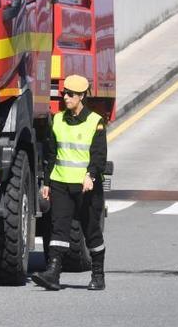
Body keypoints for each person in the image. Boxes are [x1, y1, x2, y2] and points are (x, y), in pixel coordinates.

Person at [31, 74, 108, 291]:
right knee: (59, 228)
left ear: (82, 96)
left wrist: (91, 175)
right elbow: (51, 154)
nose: (66, 97)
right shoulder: (57, 120)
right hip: (60, 183)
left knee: (91, 230)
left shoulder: (96, 122)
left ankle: (98, 275)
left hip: (86, 186)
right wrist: (46, 182)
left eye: (71, 94)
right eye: (65, 93)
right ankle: (53, 273)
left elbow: (99, 155)